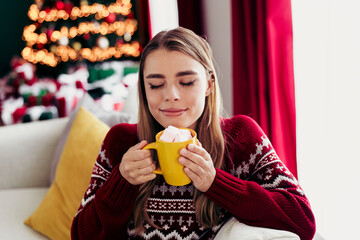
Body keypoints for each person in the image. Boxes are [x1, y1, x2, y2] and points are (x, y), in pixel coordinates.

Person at [71, 27, 316, 240]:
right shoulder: (120, 141)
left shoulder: (242, 138)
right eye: (155, 85)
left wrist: (216, 183)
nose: (171, 95)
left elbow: (303, 220)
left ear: (208, 84)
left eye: (186, 82)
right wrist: (122, 182)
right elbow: (81, 236)